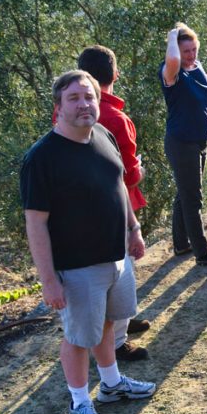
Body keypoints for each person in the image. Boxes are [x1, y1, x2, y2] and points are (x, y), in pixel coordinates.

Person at [21, 70, 156, 414]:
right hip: (77, 266)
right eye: (74, 98)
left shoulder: (103, 134)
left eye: (89, 97)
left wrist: (133, 229)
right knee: (79, 337)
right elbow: (35, 224)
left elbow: (120, 185)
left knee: (108, 322)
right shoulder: (42, 158)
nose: (84, 104)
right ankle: (80, 404)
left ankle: (111, 384)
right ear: (58, 107)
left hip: (115, 257)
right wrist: (48, 279)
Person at [77, 45, 150, 361]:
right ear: (114, 75)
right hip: (117, 209)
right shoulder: (117, 119)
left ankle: (121, 321)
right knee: (120, 269)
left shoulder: (66, 112)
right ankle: (117, 341)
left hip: (81, 208)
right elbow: (130, 176)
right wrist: (141, 169)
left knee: (107, 271)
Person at [161, 23, 207, 266]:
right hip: (182, 142)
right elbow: (172, 60)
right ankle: (203, 254)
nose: (190, 55)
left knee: (185, 193)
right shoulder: (171, 73)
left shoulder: (197, 67)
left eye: (193, 50)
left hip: (200, 140)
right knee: (193, 199)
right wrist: (173, 36)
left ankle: (181, 244)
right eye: (185, 51)